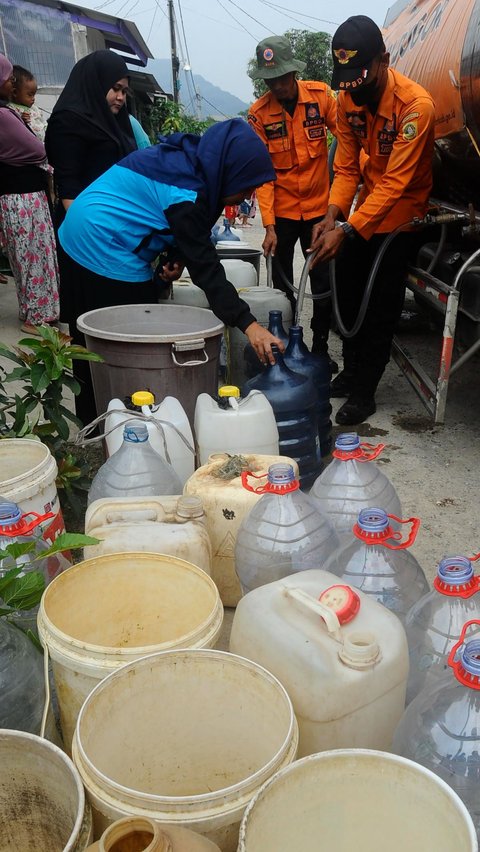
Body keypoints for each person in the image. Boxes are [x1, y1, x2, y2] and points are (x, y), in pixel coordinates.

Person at [57, 118, 284, 424]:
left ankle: (102, 420)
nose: (247, 196)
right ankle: (119, 425)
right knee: (123, 336)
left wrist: (175, 254)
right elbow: (207, 268)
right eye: (246, 186)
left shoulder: (194, 165)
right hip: (100, 240)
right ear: (229, 171)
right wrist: (249, 324)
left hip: (85, 230)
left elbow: (176, 223)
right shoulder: (185, 191)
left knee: (100, 338)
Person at [309, 15, 435, 426]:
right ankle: (351, 369)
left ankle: (365, 391)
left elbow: (397, 182)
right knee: (345, 280)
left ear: (384, 59)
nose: (354, 89)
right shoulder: (348, 99)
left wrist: (348, 229)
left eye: (361, 78)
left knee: (381, 299)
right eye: (347, 80)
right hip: (366, 208)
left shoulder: (416, 107)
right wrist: (332, 216)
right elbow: (346, 168)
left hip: (402, 213)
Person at [248, 35, 337, 363]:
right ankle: (284, 347)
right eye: (270, 81)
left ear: (294, 74)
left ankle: (321, 349)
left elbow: (349, 140)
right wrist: (268, 226)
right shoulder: (259, 115)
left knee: (324, 284)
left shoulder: (321, 97)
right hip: (283, 215)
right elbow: (264, 177)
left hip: (318, 212)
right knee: (283, 289)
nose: (278, 86)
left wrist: (337, 204)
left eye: (283, 78)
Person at [0, 54, 59, 332]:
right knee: (34, 256)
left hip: (16, 197)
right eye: (9, 77)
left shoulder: (7, 113)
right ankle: (36, 317)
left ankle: (31, 311)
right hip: (23, 198)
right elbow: (39, 150)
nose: (11, 82)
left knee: (26, 257)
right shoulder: (3, 115)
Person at [45, 49, 137, 221]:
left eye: (124, 91)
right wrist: (92, 231)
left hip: (115, 218)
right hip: (87, 225)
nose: (120, 97)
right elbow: (69, 188)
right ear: (97, 84)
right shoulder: (68, 122)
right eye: (116, 88)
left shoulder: (113, 122)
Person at [8, 65, 47, 140]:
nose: (33, 99)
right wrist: (22, 121)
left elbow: (43, 121)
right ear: (15, 92)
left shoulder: (34, 108)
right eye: (30, 95)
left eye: (34, 95)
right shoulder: (12, 110)